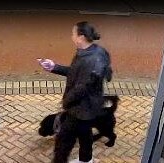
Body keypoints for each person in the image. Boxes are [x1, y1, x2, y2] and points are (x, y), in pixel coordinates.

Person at [38, 21, 112, 163]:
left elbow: (81, 88)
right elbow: (77, 73)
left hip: (79, 110)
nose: (71, 36)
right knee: (85, 135)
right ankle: (86, 160)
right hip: (90, 108)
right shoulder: (95, 52)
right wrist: (54, 67)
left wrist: (66, 103)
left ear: (81, 37)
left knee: (63, 142)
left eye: (73, 33)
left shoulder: (89, 60)